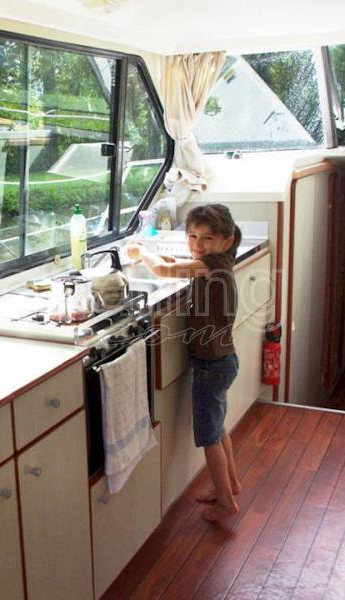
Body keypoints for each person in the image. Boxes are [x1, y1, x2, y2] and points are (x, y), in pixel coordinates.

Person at [127, 204, 241, 522]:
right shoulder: (217, 261)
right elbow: (176, 265)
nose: (197, 244)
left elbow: (166, 271)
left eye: (207, 238)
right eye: (192, 236)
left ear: (227, 241)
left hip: (210, 366)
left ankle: (226, 503)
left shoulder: (210, 264)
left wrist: (141, 252)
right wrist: (153, 255)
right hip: (223, 361)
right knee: (218, 429)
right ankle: (230, 485)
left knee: (209, 437)